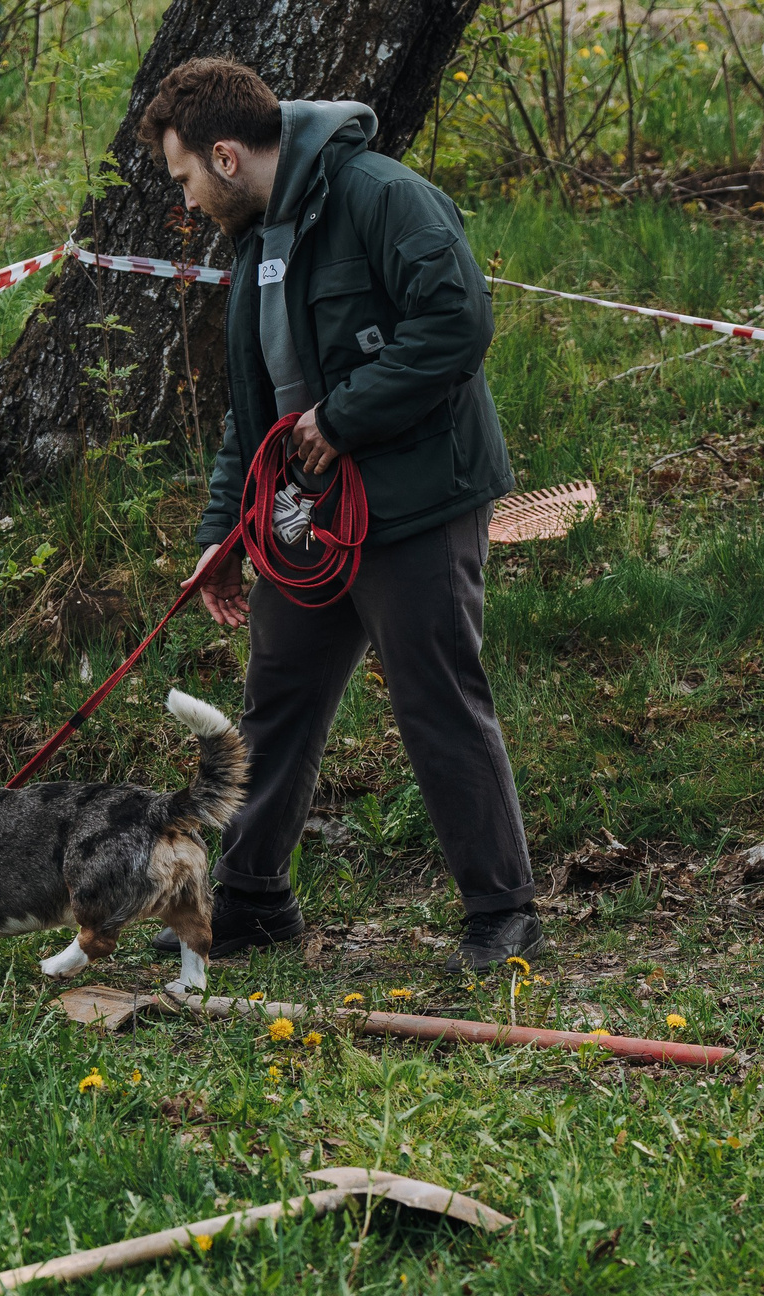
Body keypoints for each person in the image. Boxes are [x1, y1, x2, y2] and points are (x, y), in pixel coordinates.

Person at [139, 56, 541, 972]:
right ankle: (253, 903)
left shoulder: (385, 197)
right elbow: (256, 410)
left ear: (228, 156)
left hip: (417, 507)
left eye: (186, 175)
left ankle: (502, 914)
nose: (188, 198)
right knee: (274, 704)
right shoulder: (255, 240)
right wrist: (222, 533)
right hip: (301, 522)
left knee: (436, 699)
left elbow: (457, 323)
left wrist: (344, 416)